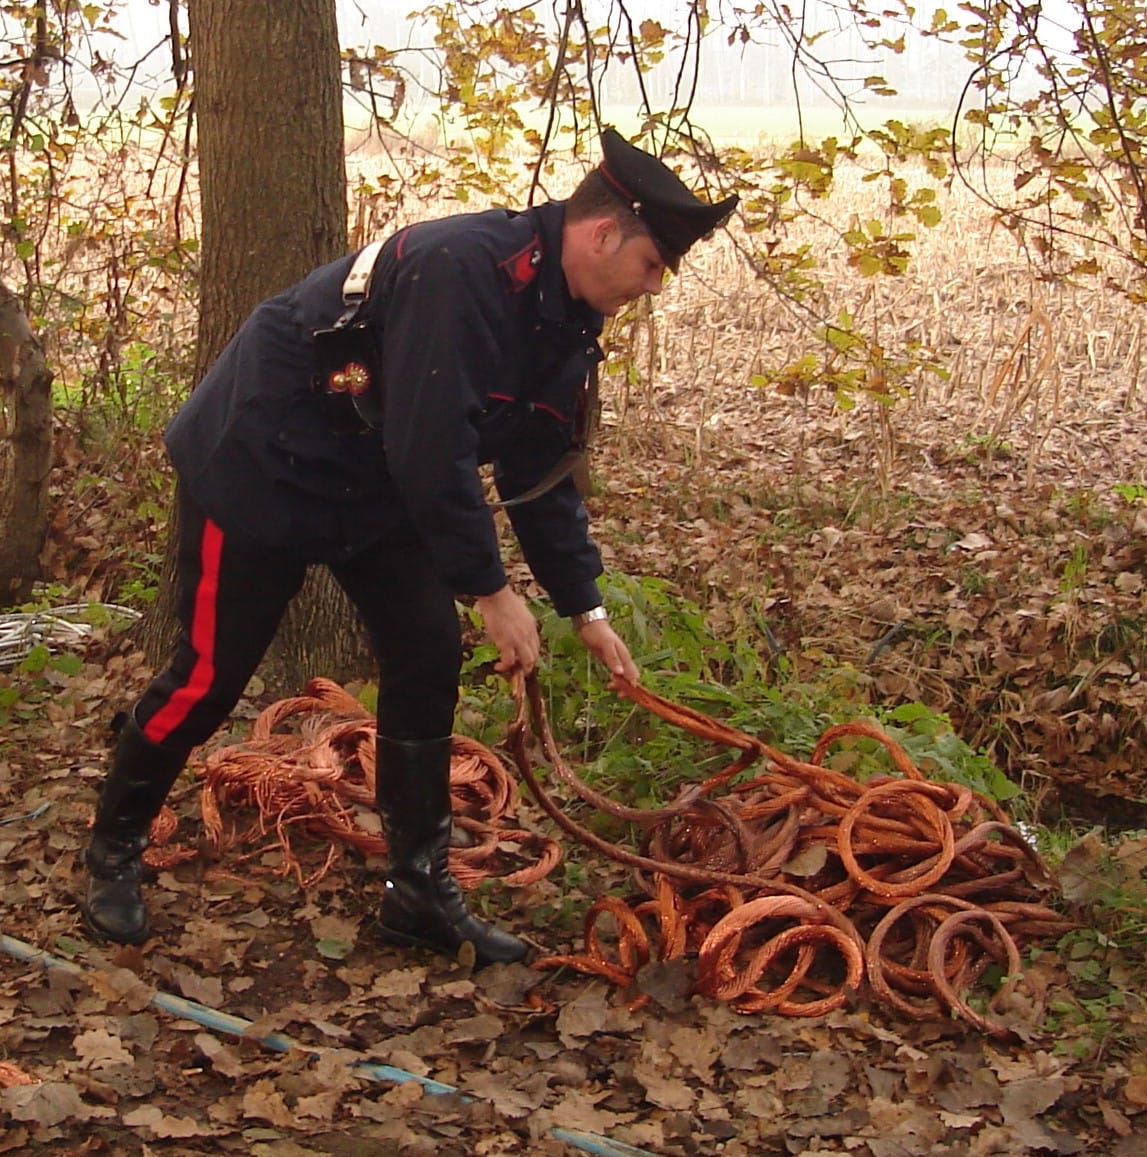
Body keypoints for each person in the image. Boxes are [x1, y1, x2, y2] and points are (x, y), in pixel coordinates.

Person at [81, 129, 739, 965]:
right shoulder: (460, 266)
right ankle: (112, 849)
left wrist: (584, 606)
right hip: (261, 464)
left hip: (376, 484)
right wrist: (489, 588)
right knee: (211, 675)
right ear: (602, 233)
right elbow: (434, 444)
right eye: (652, 264)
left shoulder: (568, 322)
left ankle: (418, 891)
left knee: (426, 654)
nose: (655, 285)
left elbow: (542, 471)